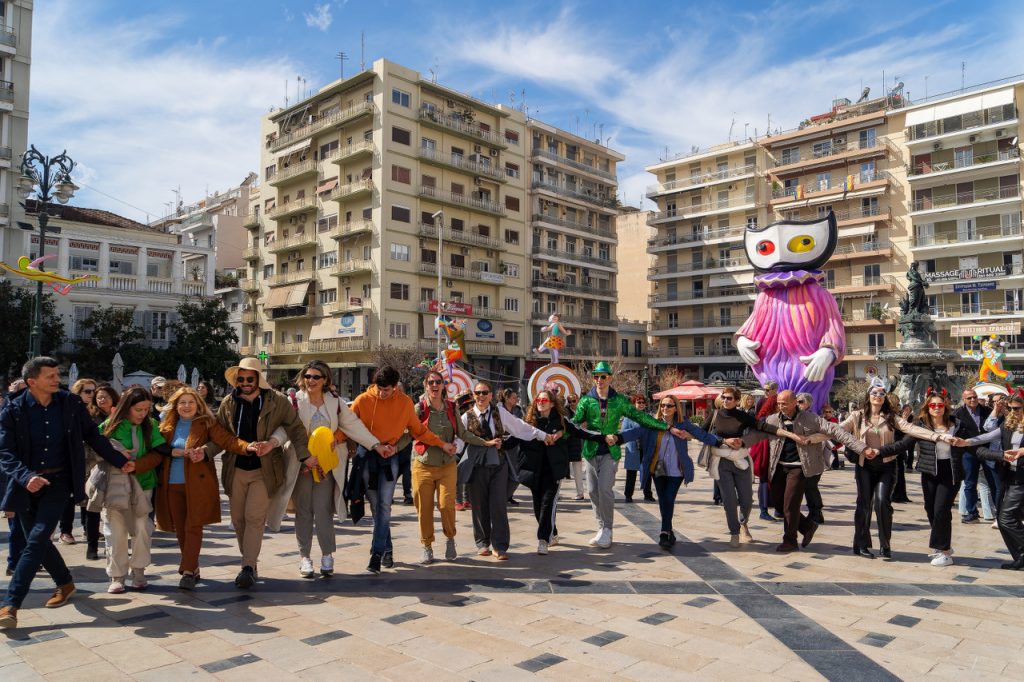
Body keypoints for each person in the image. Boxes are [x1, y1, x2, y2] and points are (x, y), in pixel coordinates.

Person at [0, 358, 133, 629]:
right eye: (50, 375)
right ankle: (65, 582)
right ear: (31, 382)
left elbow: (93, 437)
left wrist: (119, 460)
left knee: (35, 541)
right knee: (38, 542)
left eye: (57, 374)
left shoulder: (70, 405)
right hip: (25, 485)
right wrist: (27, 477)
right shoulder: (12, 410)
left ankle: (11, 605)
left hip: (59, 482)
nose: (56, 379)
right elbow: (5, 452)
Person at [209, 357, 310, 589]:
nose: (244, 382)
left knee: (254, 518)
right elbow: (221, 435)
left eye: (249, 378)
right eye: (241, 379)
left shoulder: (277, 400)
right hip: (235, 468)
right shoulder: (228, 402)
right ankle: (250, 563)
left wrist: (304, 455)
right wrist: (203, 452)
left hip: (264, 469)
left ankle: (247, 566)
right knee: (238, 521)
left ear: (258, 379)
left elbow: (294, 427)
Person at [348, 366, 449, 574]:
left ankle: (376, 554)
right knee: (376, 507)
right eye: (379, 388)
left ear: (396, 387)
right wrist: (332, 443)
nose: (382, 393)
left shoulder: (404, 403)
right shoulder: (362, 400)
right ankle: (388, 550)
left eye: (387, 389)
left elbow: (419, 430)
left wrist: (440, 443)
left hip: (389, 458)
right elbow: (347, 426)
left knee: (385, 506)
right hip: (368, 457)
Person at [157, 386, 256, 590]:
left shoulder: (207, 423)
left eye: (191, 402)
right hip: (171, 485)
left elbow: (228, 441)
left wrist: (247, 447)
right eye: (182, 402)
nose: (186, 406)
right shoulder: (166, 426)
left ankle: (186, 571)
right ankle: (193, 567)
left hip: (197, 485)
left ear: (198, 405)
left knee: (193, 526)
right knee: (181, 531)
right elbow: (156, 450)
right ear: (175, 405)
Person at [289, 361, 380, 578]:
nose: (311, 381)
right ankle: (305, 558)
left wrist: (376, 444)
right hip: (302, 465)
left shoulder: (336, 402)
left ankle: (327, 555)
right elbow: (287, 430)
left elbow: (354, 426)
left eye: (316, 377)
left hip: (326, 467)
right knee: (303, 512)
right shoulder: (294, 401)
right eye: (308, 376)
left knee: (323, 511)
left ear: (325, 380)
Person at [839, 381, 948, 559]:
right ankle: (862, 543)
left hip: (886, 465)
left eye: (882, 394)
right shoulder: (857, 416)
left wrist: (937, 436)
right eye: (874, 393)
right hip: (864, 465)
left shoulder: (891, 417)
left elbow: (911, 429)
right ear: (868, 396)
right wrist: (815, 436)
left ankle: (885, 543)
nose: (878, 396)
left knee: (882, 502)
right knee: (864, 503)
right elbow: (837, 430)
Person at [573, 361, 668, 548]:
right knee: (592, 491)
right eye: (596, 376)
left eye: (603, 376)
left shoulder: (620, 401)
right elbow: (575, 423)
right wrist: (558, 431)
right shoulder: (586, 400)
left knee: (605, 489)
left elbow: (640, 417)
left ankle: (607, 530)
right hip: (591, 451)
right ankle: (601, 528)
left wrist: (665, 426)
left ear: (610, 378)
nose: (599, 380)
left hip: (610, 452)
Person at [763, 390, 870, 553]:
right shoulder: (773, 419)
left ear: (794, 402)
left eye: (784, 403)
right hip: (778, 466)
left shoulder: (811, 419)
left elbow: (836, 431)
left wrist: (862, 448)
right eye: (778, 403)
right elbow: (757, 433)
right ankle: (807, 527)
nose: (780, 406)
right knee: (777, 502)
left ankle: (790, 540)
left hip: (800, 467)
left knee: (790, 505)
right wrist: (739, 443)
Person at [460, 380, 549, 560]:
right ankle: (482, 543)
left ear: (491, 395)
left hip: (498, 464)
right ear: (473, 396)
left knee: (498, 505)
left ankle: (500, 546)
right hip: (477, 467)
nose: (481, 396)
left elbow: (519, 427)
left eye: (485, 393)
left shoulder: (498, 412)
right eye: (478, 393)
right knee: (479, 506)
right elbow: (458, 442)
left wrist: (542, 435)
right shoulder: (465, 417)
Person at [415, 371, 497, 564]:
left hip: (447, 465)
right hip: (423, 464)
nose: (435, 385)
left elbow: (463, 433)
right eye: (431, 382)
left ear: (444, 385)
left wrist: (485, 442)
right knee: (424, 509)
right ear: (425, 385)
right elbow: (412, 431)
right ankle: (427, 546)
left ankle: (450, 538)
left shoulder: (452, 408)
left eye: (438, 382)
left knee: (446, 505)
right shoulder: (419, 408)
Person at [705, 386, 802, 547]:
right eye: (723, 397)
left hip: (741, 461)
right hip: (721, 462)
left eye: (729, 398)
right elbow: (703, 434)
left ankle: (743, 523)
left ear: (736, 400)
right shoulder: (715, 415)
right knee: (729, 501)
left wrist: (787, 433)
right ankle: (734, 532)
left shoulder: (743, 416)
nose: (725, 401)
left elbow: (762, 427)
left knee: (747, 500)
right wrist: (721, 441)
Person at [619, 395, 721, 548]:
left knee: (668, 498)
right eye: (663, 405)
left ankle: (664, 531)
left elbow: (703, 435)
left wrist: (722, 441)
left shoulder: (683, 424)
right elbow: (634, 433)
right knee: (663, 500)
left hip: (676, 469)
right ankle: (669, 531)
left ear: (676, 408)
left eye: (669, 406)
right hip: (657, 469)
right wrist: (615, 438)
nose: (665, 408)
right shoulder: (652, 423)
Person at [96, 387, 169, 593]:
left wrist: (137, 465)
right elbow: (95, 448)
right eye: (138, 409)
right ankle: (117, 575)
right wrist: (117, 457)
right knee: (115, 531)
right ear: (126, 407)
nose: (142, 413)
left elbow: (159, 451)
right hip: (115, 486)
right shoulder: (109, 425)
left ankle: (139, 570)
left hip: (143, 485)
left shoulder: (151, 425)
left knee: (142, 529)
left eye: (146, 409)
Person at [519, 389, 605, 554]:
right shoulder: (529, 421)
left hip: (553, 470)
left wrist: (603, 437)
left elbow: (580, 432)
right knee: (538, 507)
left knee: (547, 504)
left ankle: (543, 540)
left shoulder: (561, 421)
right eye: (538, 400)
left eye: (544, 400)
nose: (540, 403)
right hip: (534, 470)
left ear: (552, 403)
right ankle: (553, 532)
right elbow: (515, 436)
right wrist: (498, 443)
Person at [889, 391, 962, 566]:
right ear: (927, 408)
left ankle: (943, 551)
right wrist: (881, 452)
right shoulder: (921, 426)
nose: (937, 408)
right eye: (933, 405)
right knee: (931, 509)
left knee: (941, 510)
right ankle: (944, 544)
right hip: (929, 471)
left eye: (940, 405)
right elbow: (904, 444)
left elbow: (973, 443)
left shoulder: (957, 425)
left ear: (945, 407)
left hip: (950, 471)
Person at [971, 394, 1024, 570]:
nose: (1012, 412)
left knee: (1006, 518)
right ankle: (1020, 557)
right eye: (1010, 408)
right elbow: (986, 436)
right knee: (1005, 520)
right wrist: (964, 442)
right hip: (1010, 477)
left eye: (1016, 408)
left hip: (1021, 480)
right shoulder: (1009, 425)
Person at [82, 383, 119, 561]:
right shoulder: (90, 417)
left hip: (117, 467)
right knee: (93, 507)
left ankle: (113, 546)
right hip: (95, 466)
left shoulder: (121, 417)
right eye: (98, 397)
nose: (101, 399)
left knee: (115, 509)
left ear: (113, 398)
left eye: (105, 396)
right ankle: (92, 547)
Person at [61, 378, 98, 546]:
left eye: (93, 391)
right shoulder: (68, 409)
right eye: (87, 391)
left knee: (89, 494)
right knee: (70, 496)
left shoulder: (94, 410)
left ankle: (87, 528)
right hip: (73, 458)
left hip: (91, 459)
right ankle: (65, 531)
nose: (91, 395)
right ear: (78, 392)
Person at [955, 388, 995, 524]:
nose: (973, 400)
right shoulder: (958, 414)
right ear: (964, 399)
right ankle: (972, 513)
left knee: (992, 481)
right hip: (968, 452)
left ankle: (999, 511)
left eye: (974, 397)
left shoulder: (987, 410)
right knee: (969, 483)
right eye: (969, 398)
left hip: (987, 450)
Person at [795, 392, 826, 525]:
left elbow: (826, 434)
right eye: (796, 401)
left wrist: (810, 439)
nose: (798, 404)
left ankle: (816, 513)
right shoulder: (795, 417)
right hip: (799, 459)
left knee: (810, 486)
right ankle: (813, 513)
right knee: (807, 487)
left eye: (801, 401)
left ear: (808, 404)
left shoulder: (814, 418)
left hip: (813, 459)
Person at [750, 394, 779, 521]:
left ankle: (778, 509)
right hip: (766, 454)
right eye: (779, 404)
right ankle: (764, 510)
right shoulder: (764, 419)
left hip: (777, 454)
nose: (781, 406)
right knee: (764, 480)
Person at [622, 394, 655, 503]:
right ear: (633, 404)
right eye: (638, 402)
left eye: (642, 402)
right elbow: (623, 433)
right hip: (633, 449)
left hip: (645, 448)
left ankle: (648, 494)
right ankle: (628, 495)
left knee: (647, 472)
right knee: (631, 473)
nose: (641, 404)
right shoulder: (628, 418)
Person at [500, 388, 524, 506]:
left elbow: (522, 424)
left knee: (515, 472)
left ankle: (509, 495)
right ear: (507, 398)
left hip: (515, 444)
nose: (516, 400)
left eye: (516, 397)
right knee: (503, 472)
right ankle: (502, 497)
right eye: (514, 398)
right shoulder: (498, 410)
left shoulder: (518, 410)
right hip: (501, 445)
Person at [565, 393, 586, 500]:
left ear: (578, 400)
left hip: (578, 444)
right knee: (560, 470)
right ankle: (555, 493)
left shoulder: (583, 411)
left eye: (574, 400)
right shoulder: (565, 411)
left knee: (578, 470)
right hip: (565, 444)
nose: (572, 403)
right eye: (569, 401)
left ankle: (580, 493)